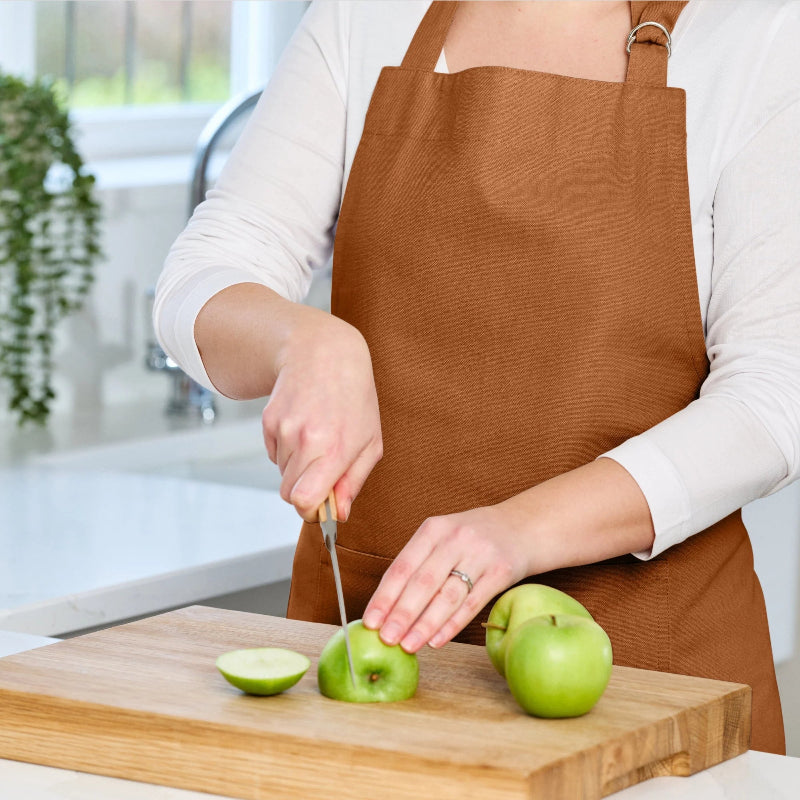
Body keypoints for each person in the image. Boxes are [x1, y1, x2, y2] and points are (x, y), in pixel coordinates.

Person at [154, 1, 800, 754]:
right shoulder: (366, 17)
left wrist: (518, 530)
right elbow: (205, 273)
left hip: (659, 673)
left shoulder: (754, 34)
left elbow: (774, 395)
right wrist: (303, 342)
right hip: (376, 666)